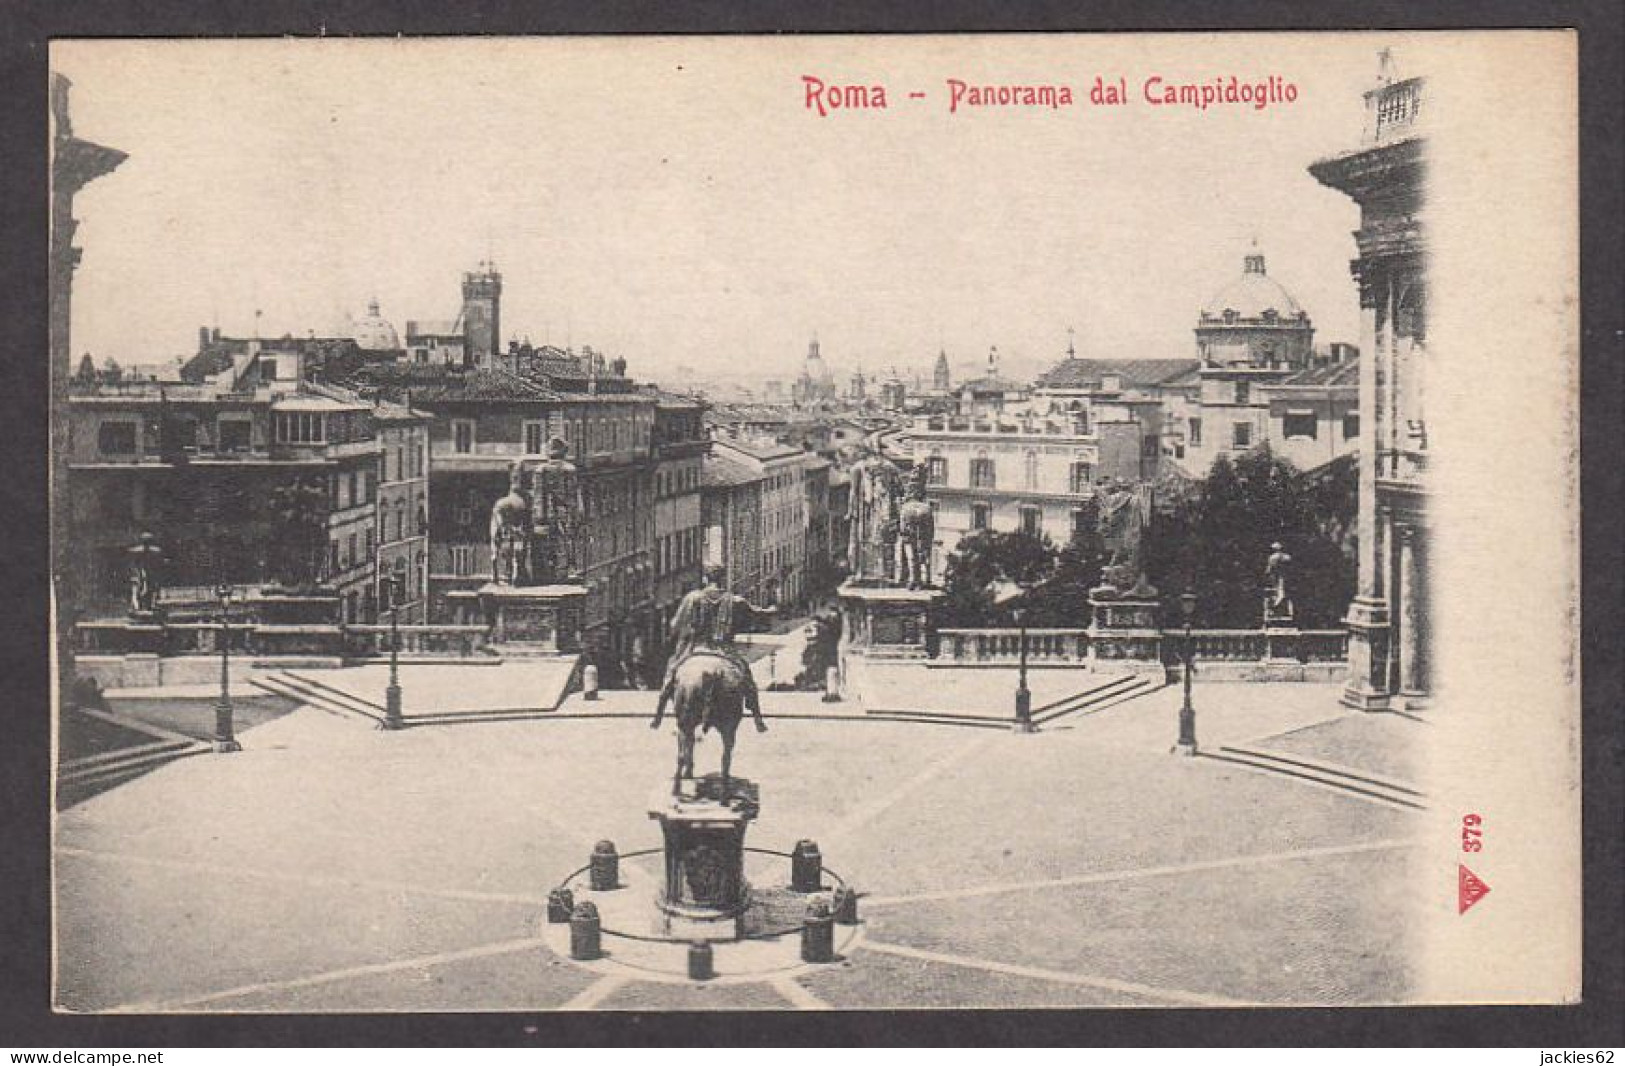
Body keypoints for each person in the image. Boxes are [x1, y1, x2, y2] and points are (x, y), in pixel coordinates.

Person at [653, 564, 774, 733]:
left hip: (696, 648)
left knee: (672, 671)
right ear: (723, 578)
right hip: (725, 650)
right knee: (747, 678)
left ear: (706, 578)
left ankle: (659, 712)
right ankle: (757, 717)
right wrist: (770, 610)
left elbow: (675, 625)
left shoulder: (692, 598)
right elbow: (757, 613)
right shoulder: (735, 600)